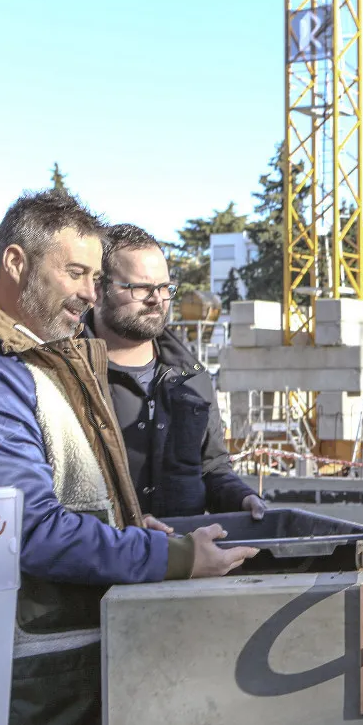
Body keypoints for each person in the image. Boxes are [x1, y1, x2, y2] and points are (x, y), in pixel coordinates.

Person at [0, 190, 256, 725]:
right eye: (77, 273)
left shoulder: (40, 360)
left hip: (69, 690)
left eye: (94, 276)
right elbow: (25, 530)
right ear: (16, 262)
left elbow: (64, 493)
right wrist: (170, 555)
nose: (89, 294)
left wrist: (122, 522)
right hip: (29, 705)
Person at [81, 223, 264, 520]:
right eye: (140, 287)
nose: (157, 299)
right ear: (99, 290)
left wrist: (242, 498)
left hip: (188, 559)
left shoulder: (192, 378)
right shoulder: (69, 375)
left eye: (165, 287)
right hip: (100, 560)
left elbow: (212, 468)